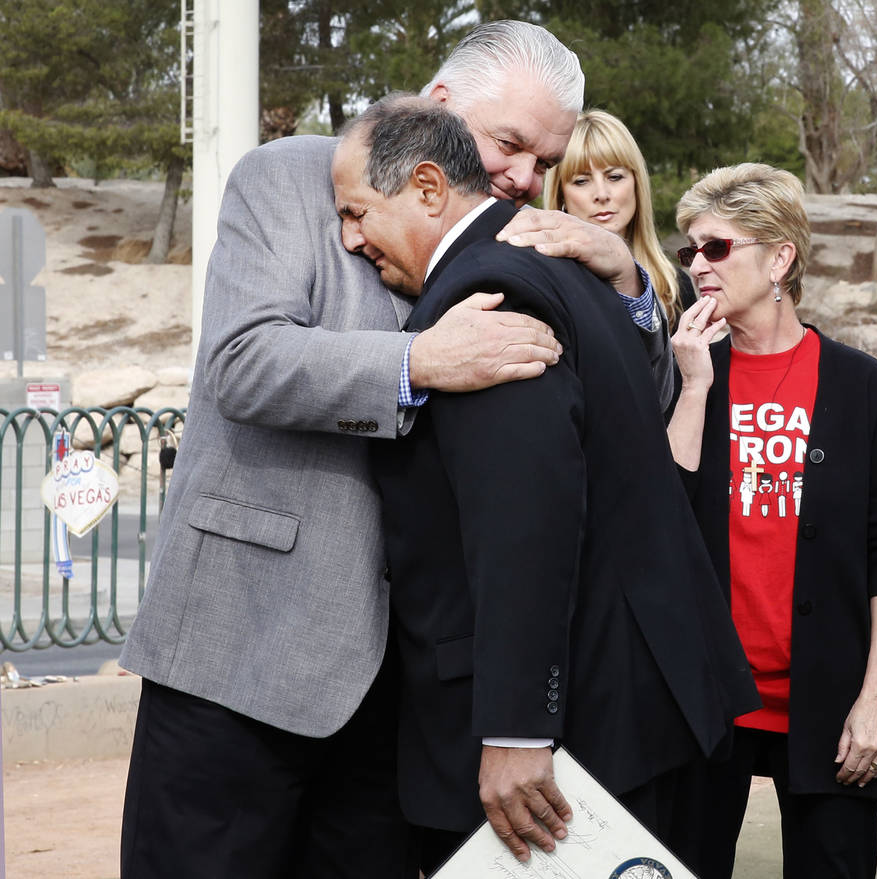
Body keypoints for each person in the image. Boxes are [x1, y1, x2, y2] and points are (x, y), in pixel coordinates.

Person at [118, 20, 675, 878]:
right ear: (442, 107)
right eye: (512, 145)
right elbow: (242, 362)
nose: (527, 179)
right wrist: (418, 361)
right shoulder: (286, 177)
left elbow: (625, 405)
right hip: (243, 657)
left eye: (543, 162)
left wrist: (629, 284)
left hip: (406, 703)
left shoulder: (525, 234)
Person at [332, 97, 759, 873]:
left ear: (429, 190)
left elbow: (524, 519)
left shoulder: (486, 293)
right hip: (629, 716)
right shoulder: (563, 266)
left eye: (358, 212)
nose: (349, 238)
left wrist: (518, 728)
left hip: (566, 755)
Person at [667, 163, 877, 879]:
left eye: (716, 247)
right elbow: (661, 524)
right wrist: (691, 388)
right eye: (689, 251)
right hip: (707, 701)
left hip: (829, 701)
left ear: (780, 258)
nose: (697, 266)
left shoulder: (860, 384)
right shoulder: (685, 373)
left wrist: (876, 699)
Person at [544, 109, 695, 330]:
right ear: (560, 195)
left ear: (636, 183)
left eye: (614, 177)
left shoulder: (675, 288)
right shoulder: (545, 283)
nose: (602, 194)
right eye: (581, 181)